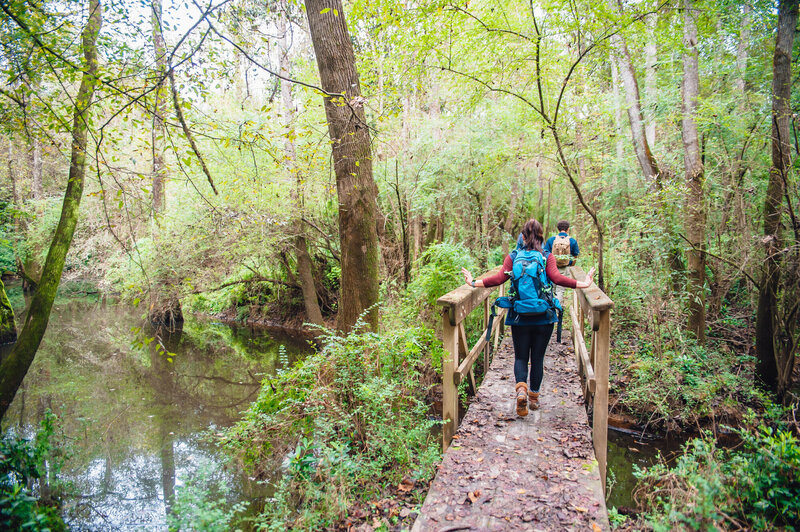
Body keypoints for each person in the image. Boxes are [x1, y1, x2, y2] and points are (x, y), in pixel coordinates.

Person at [461, 219, 594, 417]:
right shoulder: (546, 256)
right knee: (538, 358)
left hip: (519, 316)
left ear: (522, 236)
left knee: (521, 356)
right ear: (542, 236)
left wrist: (473, 282)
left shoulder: (514, 256)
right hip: (544, 316)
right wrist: (584, 284)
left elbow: (498, 279)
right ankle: (533, 397)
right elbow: (557, 279)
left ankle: (521, 390)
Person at [543, 220, 580, 306]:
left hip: (552, 268)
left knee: (551, 289)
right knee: (560, 290)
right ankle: (558, 309)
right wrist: (570, 265)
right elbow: (575, 256)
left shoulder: (551, 240)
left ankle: (551, 308)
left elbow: (545, 255)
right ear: (568, 229)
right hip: (565, 268)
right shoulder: (572, 241)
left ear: (558, 229)